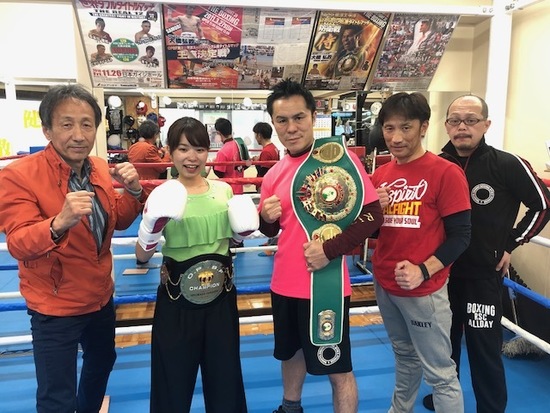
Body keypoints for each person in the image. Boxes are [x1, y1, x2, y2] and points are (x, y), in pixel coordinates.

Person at [0, 84, 147, 413]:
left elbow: (118, 221)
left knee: (102, 362)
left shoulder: (98, 167)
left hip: (99, 297)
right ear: (47, 130)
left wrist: (134, 192)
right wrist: (58, 223)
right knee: (56, 395)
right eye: (67, 124)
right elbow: (19, 243)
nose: (78, 135)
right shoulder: (19, 176)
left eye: (86, 124)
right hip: (54, 306)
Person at [258, 79, 384, 413]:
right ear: (274, 123)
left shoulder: (339, 161)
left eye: (299, 117)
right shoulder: (274, 174)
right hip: (284, 284)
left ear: (314, 116)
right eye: (282, 120)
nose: (291, 128)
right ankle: (290, 407)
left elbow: (373, 215)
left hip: (325, 285)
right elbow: (272, 229)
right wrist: (266, 218)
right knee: (289, 354)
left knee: (337, 366)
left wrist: (329, 250)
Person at [422, 95, 550, 412]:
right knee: (442, 347)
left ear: (486, 124)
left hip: (482, 275)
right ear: (446, 125)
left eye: (471, 120)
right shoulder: (435, 165)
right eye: (455, 120)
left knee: (484, 350)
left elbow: (543, 205)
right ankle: (444, 398)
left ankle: (490, 408)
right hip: (441, 274)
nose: (462, 127)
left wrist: (511, 243)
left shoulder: (506, 164)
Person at [135, 116, 257, 413]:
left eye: (199, 149)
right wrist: (151, 230)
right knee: (171, 386)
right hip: (176, 305)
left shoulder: (223, 191)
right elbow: (141, 257)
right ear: (170, 151)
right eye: (183, 149)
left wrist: (241, 235)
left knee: (226, 383)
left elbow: (231, 243)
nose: (192, 157)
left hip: (220, 303)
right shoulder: (163, 194)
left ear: (208, 152)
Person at [371, 92, 471, 412]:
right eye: (389, 128)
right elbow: (375, 232)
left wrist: (423, 270)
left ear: (423, 127)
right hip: (385, 282)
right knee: (404, 356)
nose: (396, 138)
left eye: (406, 127)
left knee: (440, 374)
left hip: (424, 289)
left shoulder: (445, 172)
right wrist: (372, 210)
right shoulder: (381, 174)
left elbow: (461, 236)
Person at [167, 5, 204, 76]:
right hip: (184, 36)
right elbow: (170, 20)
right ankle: (185, 67)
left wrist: (202, 37)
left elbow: (200, 29)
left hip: (193, 37)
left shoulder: (197, 19)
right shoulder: (181, 18)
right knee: (179, 53)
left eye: (192, 8)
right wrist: (169, 11)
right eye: (190, 7)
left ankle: (191, 70)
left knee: (193, 54)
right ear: (186, 8)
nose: (191, 9)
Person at [212, 117, 245, 195]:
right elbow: (247, 164)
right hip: (240, 188)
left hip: (228, 190)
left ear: (218, 133)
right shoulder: (240, 145)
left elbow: (220, 173)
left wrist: (213, 164)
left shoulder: (222, 152)